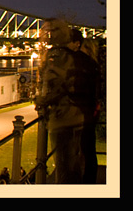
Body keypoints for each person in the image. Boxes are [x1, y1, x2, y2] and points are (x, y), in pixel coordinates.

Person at [36, 18, 101, 184]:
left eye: (51, 32)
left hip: (65, 119)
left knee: (65, 167)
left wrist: (41, 101)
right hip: (84, 117)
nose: (47, 36)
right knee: (82, 161)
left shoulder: (60, 58)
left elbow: (57, 87)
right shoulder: (85, 60)